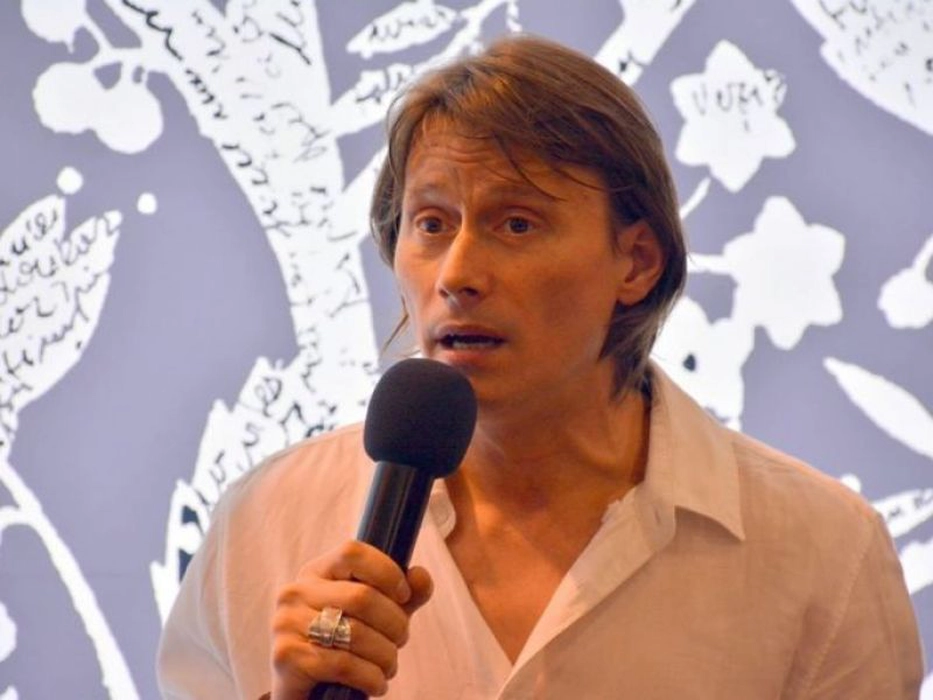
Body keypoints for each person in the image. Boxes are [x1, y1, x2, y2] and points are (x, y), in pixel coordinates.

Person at [157, 34, 923, 699]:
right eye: (431, 223)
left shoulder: (820, 548)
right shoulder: (271, 518)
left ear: (636, 262)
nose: (457, 274)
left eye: (516, 224)